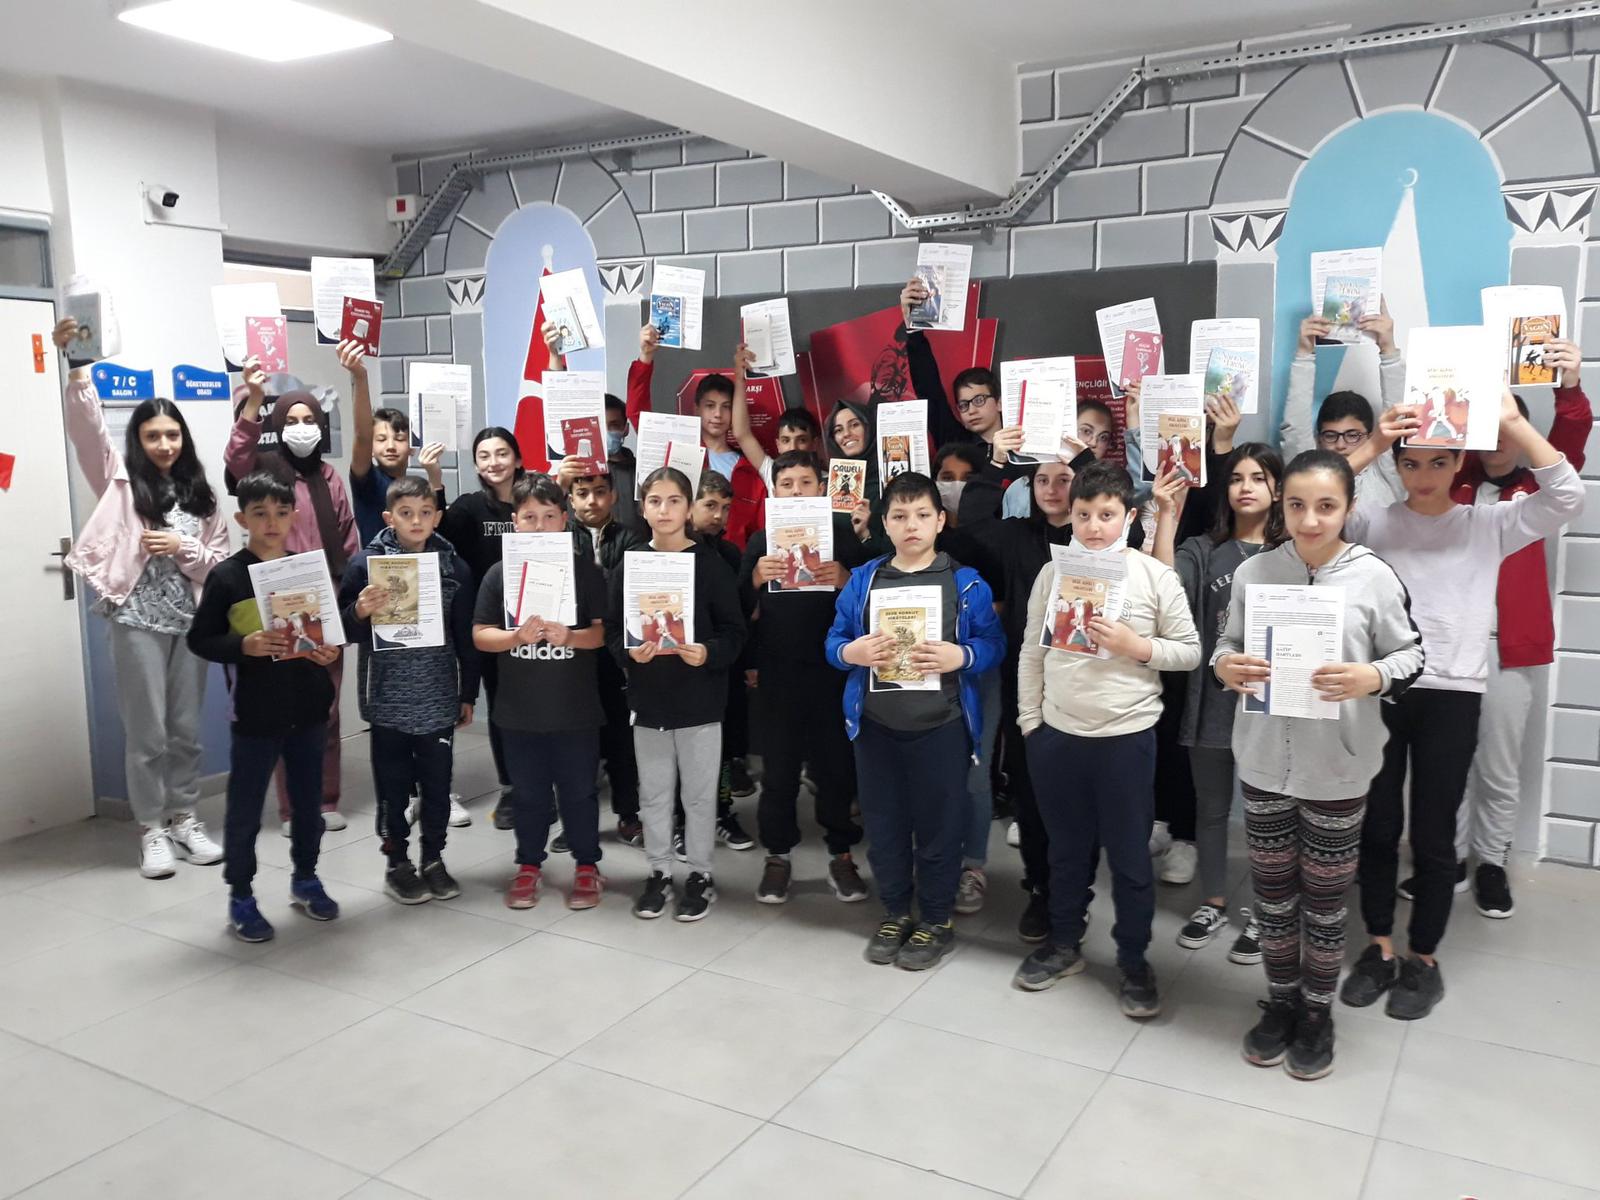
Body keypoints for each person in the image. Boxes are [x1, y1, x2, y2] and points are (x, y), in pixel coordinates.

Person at [1338, 385, 1584, 1020]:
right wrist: (1375, 441)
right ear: (1397, 465)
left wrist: (1511, 422)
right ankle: (1379, 946)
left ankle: (1423, 958)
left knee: (1433, 834)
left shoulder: (1489, 524)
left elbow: (1567, 495)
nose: (1423, 475)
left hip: (1453, 694)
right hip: (1384, 688)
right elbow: (1314, 498)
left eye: (1438, 462)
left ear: (1458, 463)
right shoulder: (1374, 524)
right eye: (1411, 463)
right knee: (1378, 826)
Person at [1215, 450, 1425, 1079]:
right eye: (1297, 505)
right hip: (1263, 764)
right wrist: (1227, 667)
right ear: (1281, 505)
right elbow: (1226, 645)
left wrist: (1371, 676)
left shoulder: (1374, 577)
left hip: (1337, 768)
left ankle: (1316, 1012)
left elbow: (1412, 656)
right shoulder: (1255, 573)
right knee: (1274, 899)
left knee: (1326, 905)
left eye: (1326, 506)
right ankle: (1282, 1002)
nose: (1310, 520)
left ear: (1349, 508)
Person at [1013, 461, 1200, 1018]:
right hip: (1057, 736)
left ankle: (1134, 961)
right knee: (1066, 853)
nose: (1094, 527)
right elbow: (1031, 650)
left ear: (1130, 517)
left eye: (1107, 515)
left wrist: (1135, 647)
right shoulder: (1053, 574)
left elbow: (1190, 651)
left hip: (1126, 738)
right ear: (1070, 516)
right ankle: (1064, 944)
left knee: (1129, 860)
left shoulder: (1153, 576)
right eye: (1084, 515)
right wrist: (1031, 723)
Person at [55, 317, 231, 879]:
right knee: (148, 733)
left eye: (172, 435)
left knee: (185, 730)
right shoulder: (120, 482)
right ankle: (151, 827)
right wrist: (77, 369)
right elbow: (87, 434)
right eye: (153, 436)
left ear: (184, 439)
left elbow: (220, 565)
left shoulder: (203, 497)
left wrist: (183, 547)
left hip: (189, 625)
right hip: (136, 621)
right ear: (139, 440)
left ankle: (185, 817)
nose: (163, 444)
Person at [826, 471, 1006, 971]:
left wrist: (961, 656)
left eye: (923, 515)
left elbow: (994, 645)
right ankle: (894, 912)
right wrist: (851, 652)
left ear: (940, 521)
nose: (912, 525)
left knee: (939, 827)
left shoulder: (965, 582)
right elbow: (833, 641)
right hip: (876, 727)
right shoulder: (865, 580)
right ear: (884, 523)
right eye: (900, 516)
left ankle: (936, 918)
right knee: (884, 825)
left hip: (941, 727)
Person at [1447, 343, 1590, 917]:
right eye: (1490, 430)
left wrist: (1569, 387)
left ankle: (1491, 863)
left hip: (1506, 652)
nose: (1499, 441)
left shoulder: (1537, 493)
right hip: (1450, 648)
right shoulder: (1451, 483)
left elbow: (1569, 444)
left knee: (1499, 766)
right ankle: (1451, 857)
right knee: (1448, 760)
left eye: (1509, 430)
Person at [187, 471, 343, 943]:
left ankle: (306, 878)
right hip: (256, 715)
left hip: (309, 710)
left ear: (294, 516)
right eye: (260, 513)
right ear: (243, 520)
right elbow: (201, 639)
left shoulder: (304, 570)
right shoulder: (228, 576)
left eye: (281, 512)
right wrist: (244, 645)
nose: (272, 522)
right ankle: (241, 894)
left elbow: (327, 634)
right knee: (245, 810)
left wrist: (328, 652)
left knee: (308, 806)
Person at [1152, 444, 1285, 963]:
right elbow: (1164, 586)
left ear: (1278, 488)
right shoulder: (1205, 549)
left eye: (1258, 477)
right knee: (1210, 810)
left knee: (1267, 818)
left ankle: (1267, 913)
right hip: (1212, 702)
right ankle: (1212, 903)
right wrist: (1167, 512)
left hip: (1275, 709)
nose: (1245, 487)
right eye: (1236, 478)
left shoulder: (1295, 551)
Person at [227, 356, 359, 835]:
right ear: (279, 426)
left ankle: (325, 799)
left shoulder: (330, 477)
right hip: (279, 598)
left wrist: (349, 601)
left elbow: (348, 538)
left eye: (309, 420)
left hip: (327, 600)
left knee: (326, 707)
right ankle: (291, 808)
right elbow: (235, 461)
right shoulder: (267, 471)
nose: (302, 428)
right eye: (292, 420)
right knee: (286, 709)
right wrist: (253, 401)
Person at [608, 467, 746, 921]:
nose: (664, 510)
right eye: (655, 501)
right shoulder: (630, 564)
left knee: (700, 797)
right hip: (649, 701)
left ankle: (701, 874)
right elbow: (613, 630)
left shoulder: (711, 565)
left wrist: (708, 652)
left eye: (674, 501)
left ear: (688, 509)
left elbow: (734, 632)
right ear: (642, 508)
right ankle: (659, 871)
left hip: (700, 702)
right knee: (653, 794)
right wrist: (629, 654)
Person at [338, 476, 479, 905]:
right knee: (393, 788)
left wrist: (467, 693)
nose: (416, 521)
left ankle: (433, 858)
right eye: (405, 513)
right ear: (389, 517)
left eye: (424, 513)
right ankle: (396, 861)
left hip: (437, 697)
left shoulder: (454, 568)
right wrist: (359, 610)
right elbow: (342, 629)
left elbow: (466, 637)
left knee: (437, 786)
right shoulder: (366, 565)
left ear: (437, 517)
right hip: (387, 700)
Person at [740, 450, 872, 903]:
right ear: (775, 492)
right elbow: (736, 611)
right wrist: (754, 580)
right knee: (779, 772)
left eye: (806, 483)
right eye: (787, 484)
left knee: (836, 768)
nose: (796, 491)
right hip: (778, 674)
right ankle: (777, 855)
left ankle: (841, 854)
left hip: (833, 672)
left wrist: (846, 579)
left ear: (822, 488)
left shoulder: (841, 535)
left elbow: (873, 598)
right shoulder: (761, 542)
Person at [473, 474, 609, 910]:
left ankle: (587, 865)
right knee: (528, 795)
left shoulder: (585, 572)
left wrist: (570, 637)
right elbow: (480, 635)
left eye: (549, 516)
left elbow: (601, 635)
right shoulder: (499, 574)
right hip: (519, 712)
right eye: (529, 517)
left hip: (575, 710)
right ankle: (529, 865)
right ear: (515, 522)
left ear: (564, 520)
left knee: (579, 792)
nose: (539, 525)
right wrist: (515, 638)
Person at [441, 426, 524, 827]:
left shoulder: (535, 499)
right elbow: (437, 536)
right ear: (475, 465)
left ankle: (545, 783)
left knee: (541, 702)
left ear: (518, 459)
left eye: (502, 453)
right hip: (490, 624)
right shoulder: (468, 508)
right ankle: (510, 787)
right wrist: (435, 480)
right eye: (485, 456)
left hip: (537, 618)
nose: (494, 462)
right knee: (502, 704)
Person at [628, 324, 766, 548]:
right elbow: (637, 414)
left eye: (726, 407)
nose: (718, 414)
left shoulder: (749, 471)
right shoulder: (678, 451)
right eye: (710, 406)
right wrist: (645, 357)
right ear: (696, 409)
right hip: (681, 555)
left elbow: (761, 535)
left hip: (733, 565)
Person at [566, 468, 647, 844]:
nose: (592, 500)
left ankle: (628, 815)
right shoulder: (561, 538)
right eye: (582, 493)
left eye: (600, 492)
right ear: (571, 500)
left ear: (613, 496)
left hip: (614, 654)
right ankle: (576, 822)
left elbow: (629, 591)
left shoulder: (632, 538)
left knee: (620, 742)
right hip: (573, 653)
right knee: (576, 745)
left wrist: (594, 583)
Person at [685, 471, 758, 846]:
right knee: (684, 751)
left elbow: (742, 615)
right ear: (689, 505)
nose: (718, 515)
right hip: (679, 669)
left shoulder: (729, 554)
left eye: (725, 508)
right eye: (710, 505)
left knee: (726, 748)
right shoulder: (670, 552)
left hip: (723, 665)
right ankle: (681, 821)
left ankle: (722, 811)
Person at [1278, 306, 1404, 508]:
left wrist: (1388, 348)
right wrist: (1304, 353)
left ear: (1371, 437)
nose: (1340, 445)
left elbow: (1397, 421)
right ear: (1318, 439)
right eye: (1330, 435)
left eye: (1353, 435)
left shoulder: (1387, 475)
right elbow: (1295, 431)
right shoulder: (1308, 477)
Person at [344, 340, 444, 547]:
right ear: (371, 449)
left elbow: (437, 527)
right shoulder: (368, 481)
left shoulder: (417, 486)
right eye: (381, 439)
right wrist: (360, 377)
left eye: (399, 439)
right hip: (378, 562)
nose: (390, 446)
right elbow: (362, 436)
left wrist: (434, 474)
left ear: (412, 447)